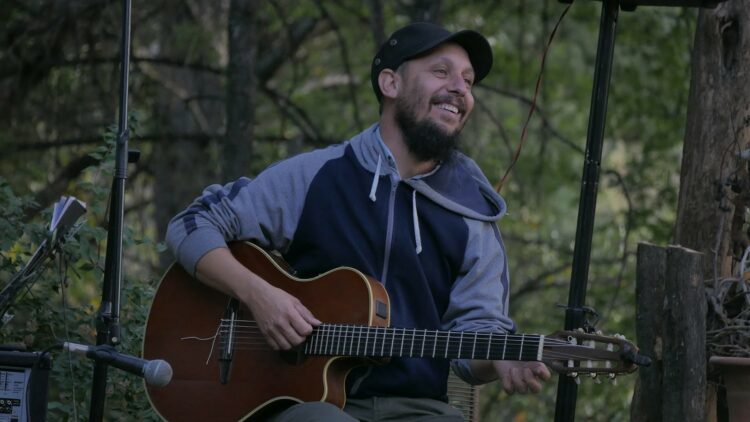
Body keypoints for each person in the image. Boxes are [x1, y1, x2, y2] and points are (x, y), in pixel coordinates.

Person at [166, 21, 550, 422]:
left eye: (469, 81)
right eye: (441, 72)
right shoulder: (317, 175)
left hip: (418, 410)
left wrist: (501, 361)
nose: (461, 89)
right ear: (390, 83)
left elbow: (476, 334)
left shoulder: (473, 211)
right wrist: (258, 295)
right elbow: (193, 223)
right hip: (302, 403)